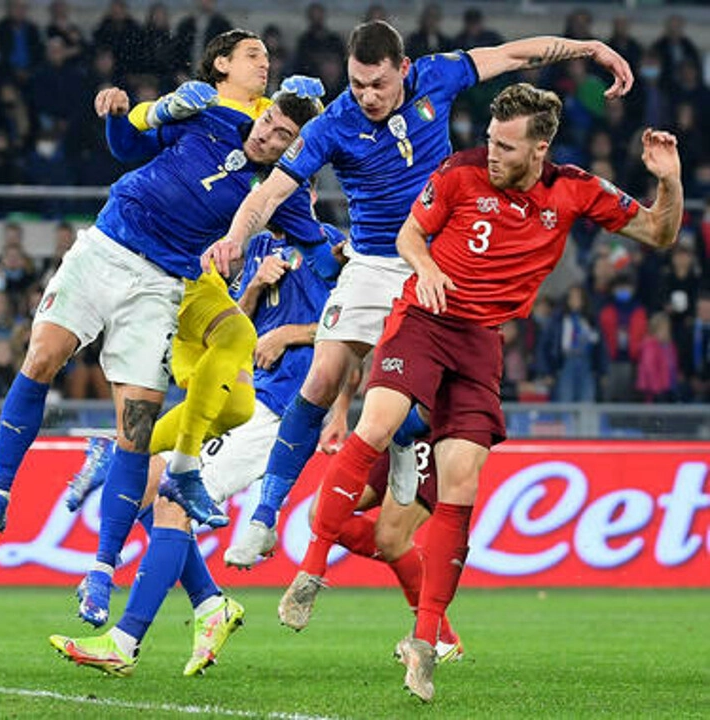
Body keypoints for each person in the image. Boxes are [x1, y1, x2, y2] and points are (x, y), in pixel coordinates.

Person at [206, 20, 635, 574]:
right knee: (321, 377)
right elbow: (270, 193)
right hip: (372, 261)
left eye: (378, 85)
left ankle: (406, 442)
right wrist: (236, 236)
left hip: (439, 261)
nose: (367, 96)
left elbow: (514, 55)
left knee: (421, 397)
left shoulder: (438, 75)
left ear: (403, 70)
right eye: (358, 84)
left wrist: (590, 47)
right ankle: (264, 518)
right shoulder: (334, 123)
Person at [315, 85, 679, 702]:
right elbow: (380, 294)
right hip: (420, 364)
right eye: (489, 137)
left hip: (469, 364)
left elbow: (659, 233)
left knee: (397, 533)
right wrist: (345, 402)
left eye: (506, 145)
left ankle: (430, 633)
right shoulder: (460, 176)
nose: (490, 151)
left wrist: (668, 182)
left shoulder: (572, 189)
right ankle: (392, 607)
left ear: (540, 150)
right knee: (381, 531)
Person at [0, 29, 323, 564]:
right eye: (255, 55)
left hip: (165, 284)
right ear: (221, 64)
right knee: (42, 357)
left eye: (281, 133)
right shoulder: (211, 113)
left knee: (204, 404)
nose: (265, 67)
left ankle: (118, 546)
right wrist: (120, 110)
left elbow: (317, 238)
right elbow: (130, 144)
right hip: (112, 248)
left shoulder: (279, 185)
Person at [51, 222, 341, 677]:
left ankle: (124, 642)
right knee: (148, 481)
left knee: (170, 499)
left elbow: (354, 329)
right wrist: (255, 286)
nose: (264, 199)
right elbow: (235, 325)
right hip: (240, 390)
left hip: (280, 406)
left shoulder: (329, 247)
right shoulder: (259, 246)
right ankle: (210, 603)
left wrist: (287, 335)